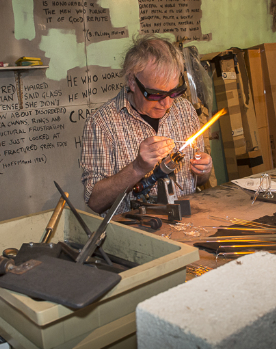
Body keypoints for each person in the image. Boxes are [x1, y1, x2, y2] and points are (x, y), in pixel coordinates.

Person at [80, 35, 213, 215]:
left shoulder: (185, 110)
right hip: (136, 236)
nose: (167, 104)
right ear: (132, 82)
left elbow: (200, 179)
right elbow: (95, 202)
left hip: (186, 226)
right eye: (156, 94)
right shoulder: (102, 124)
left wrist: (204, 169)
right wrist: (137, 168)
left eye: (174, 92)